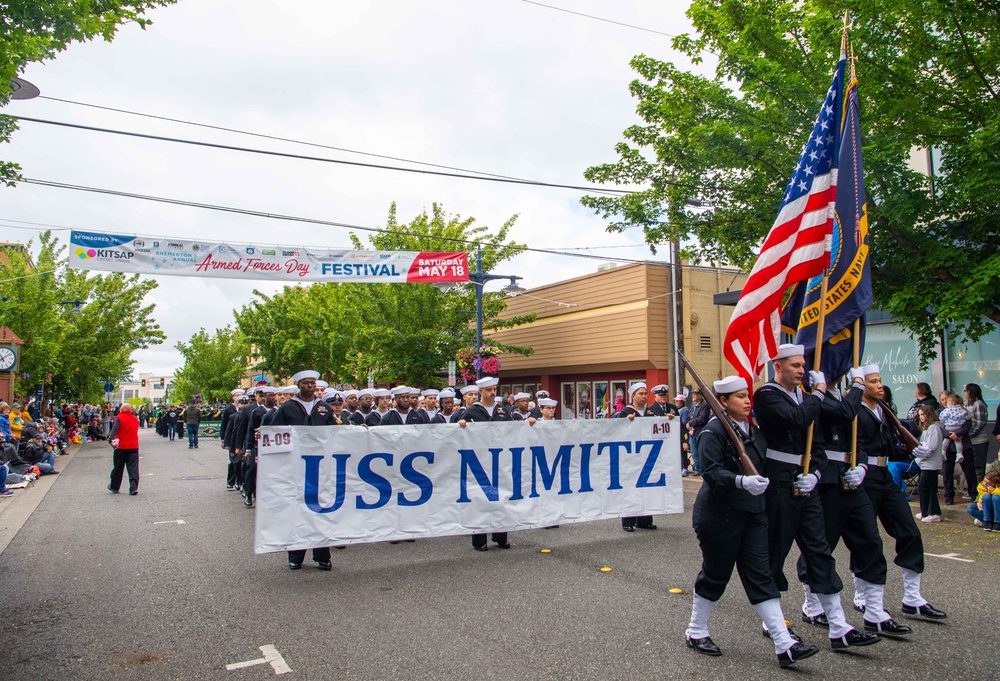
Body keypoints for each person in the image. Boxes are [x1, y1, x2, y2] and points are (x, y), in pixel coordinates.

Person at [685, 376, 818, 668]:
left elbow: (769, 463)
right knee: (717, 574)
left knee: (761, 576)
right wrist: (740, 481)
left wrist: (809, 475)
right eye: (739, 397)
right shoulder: (714, 431)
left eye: (748, 396)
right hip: (720, 515)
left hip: (754, 514)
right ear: (722, 402)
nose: (747, 401)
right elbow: (710, 472)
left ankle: (784, 644)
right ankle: (696, 630)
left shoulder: (754, 433)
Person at [754, 344, 877, 650]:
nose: (801, 370)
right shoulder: (766, 395)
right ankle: (773, 622)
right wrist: (820, 390)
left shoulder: (808, 399)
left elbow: (817, 444)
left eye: (802, 365)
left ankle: (838, 626)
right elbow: (796, 419)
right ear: (778, 367)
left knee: (820, 552)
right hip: (779, 484)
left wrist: (817, 474)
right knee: (775, 553)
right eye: (795, 365)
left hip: (806, 485)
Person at [795, 366, 909, 639]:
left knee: (869, 541)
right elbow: (845, 415)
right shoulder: (814, 398)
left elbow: (857, 437)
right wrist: (858, 384)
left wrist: (861, 467)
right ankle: (812, 605)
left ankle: (875, 612)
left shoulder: (842, 398)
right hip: (826, 481)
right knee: (822, 546)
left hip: (852, 478)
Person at [853, 364, 947, 621]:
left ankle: (912, 598)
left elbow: (890, 445)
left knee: (909, 531)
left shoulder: (884, 410)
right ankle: (862, 595)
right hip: (864, 477)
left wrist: (908, 450)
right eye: (873, 381)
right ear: (861, 386)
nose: (879, 385)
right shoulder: (854, 412)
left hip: (884, 476)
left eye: (880, 380)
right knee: (866, 538)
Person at [270, 370, 335, 571]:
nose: (310, 386)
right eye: (306, 383)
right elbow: (274, 432)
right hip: (296, 464)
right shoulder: (287, 407)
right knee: (298, 508)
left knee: (320, 508)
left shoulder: (324, 407)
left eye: (312, 383)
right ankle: (296, 555)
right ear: (298, 386)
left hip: (321, 465)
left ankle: (322, 555)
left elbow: (335, 432)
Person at [458, 376, 513, 551]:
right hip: (479, 460)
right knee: (480, 500)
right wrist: (461, 425)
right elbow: (459, 435)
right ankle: (480, 540)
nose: (492, 393)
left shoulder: (502, 411)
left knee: (501, 498)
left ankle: (500, 536)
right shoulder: (472, 412)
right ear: (481, 392)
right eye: (488, 390)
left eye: (494, 390)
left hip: (500, 460)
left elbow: (513, 431)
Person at [613, 382, 658, 532]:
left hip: (646, 455)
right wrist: (627, 423)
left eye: (645, 394)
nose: (644, 396)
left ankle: (644, 519)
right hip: (631, 456)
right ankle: (628, 520)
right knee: (631, 488)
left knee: (646, 488)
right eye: (641, 394)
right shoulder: (625, 412)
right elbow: (617, 431)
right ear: (633, 396)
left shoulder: (649, 411)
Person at [941, 392, 977, 505]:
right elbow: (939, 428)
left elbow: (968, 424)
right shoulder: (941, 413)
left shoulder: (962, 411)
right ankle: (949, 496)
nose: (944, 402)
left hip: (964, 445)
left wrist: (958, 433)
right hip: (948, 447)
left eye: (946, 400)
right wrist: (949, 435)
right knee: (947, 473)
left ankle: (974, 494)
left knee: (969, 471)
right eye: (942, 400)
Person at [912, 405, 944, 523]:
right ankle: (926, 511)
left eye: (923, 415)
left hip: (930, 464)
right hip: (925, 463)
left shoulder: (934, 428)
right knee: (927, 488)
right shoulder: (927, 428)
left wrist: (921, 456)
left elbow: (931, 446)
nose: (921, 417)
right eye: (919, 415)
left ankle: (931, 512)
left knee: (924, 487)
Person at [107, 404, 140, 496]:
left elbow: (114, 430)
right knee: (133, 468)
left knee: (118, 467)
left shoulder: (119, 418)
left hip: (121, 446)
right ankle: (133, 487)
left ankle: (114, 486)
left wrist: (110, 441)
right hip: (133, 446)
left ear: (121, 409)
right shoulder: (135, 419)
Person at [964, 383, 989, 483]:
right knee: (970, 468)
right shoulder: (966, 404)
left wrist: (969, 434)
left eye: (966, 390)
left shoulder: (979, 404)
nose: (964, 393)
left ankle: (979, 491)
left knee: (978, 468)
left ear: (971, 392)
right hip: (969, 441)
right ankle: (973, 491)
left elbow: (980, 423)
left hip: (979, 441)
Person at [687, 390, 710, 475]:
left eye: (695, 394)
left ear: (700, 396)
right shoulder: (693, 406)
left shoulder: (704, 406)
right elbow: (689, 417)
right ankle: (697, 469)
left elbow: (702, 418)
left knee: (701, 451)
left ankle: (702, 469)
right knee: (694, 452)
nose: (693, 396)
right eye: (693, 394)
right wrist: (688, 423)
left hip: (700, 430)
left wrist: (691, 423)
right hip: (692, 431)